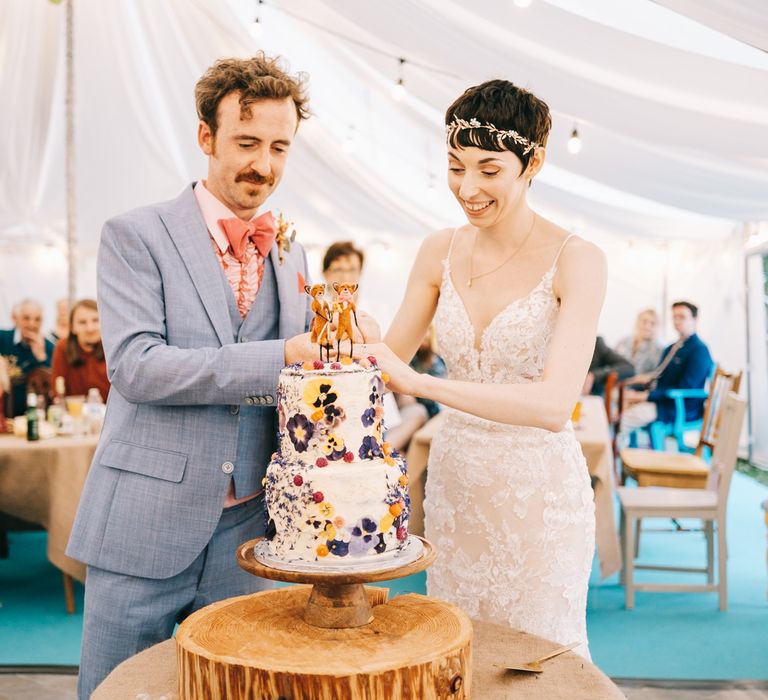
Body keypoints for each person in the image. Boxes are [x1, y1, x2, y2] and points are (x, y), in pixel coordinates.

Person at [66, 54, 378, 699]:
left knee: (237, 691)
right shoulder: (135, 235)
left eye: (278, 147)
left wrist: (343, 353)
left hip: (252, 533)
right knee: (117, 692)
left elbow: (300, 387)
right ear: (206, 137)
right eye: (246, 142)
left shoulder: (292, 248)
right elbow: (136, 368)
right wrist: (284, 355)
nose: (261, 164)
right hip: (145, 521)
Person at [362, 80, 605, 658]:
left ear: (533, 163)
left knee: (541, 663)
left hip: (539, 498)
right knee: (460, 658)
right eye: (455, 165)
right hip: (456, 487)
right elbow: (383, 362)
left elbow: (552, 406)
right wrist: (355, 337)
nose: (466, 188)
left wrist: (420, 383)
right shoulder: (437, 251)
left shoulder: (578, 260)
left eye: (488, 170)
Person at [620, 301, 712, 434]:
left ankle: (613, 452)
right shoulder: (671, 348)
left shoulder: (699, 350)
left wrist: (645, 397)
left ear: (694, 319)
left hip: (677, 407)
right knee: (617, 411)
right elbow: (658, 378)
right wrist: (635, 393)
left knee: (624, 419)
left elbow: (686, 387)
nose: (677, 321)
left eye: (682, 317)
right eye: (674, 317)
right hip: (661, 401)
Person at [0, 299, 55, 416]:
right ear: (15, 319)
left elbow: (54, 384)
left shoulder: (49, 347)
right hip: (4, 416)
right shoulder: (3, 338)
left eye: (37, 319)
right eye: (26, 318)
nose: (32, 324)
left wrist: (41, 357)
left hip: (36, 416)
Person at [51, 299, 110, 401]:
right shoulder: (63, 347)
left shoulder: (111, 347)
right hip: (74, 414)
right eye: (82, 322)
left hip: (108, 414)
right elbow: (58, 390)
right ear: (72, 327)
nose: (90, 328)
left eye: (95, 320)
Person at [408, 327, 447, 418]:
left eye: (428, 331)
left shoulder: (439, 358)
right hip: (428, 407)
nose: (425, 335)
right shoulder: (411, 361)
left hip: (444, 402)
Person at [615, 308, 663, 376]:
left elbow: (655, 374)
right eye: (644, 321)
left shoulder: (658, 349)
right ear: (637, 322)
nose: (647, 326)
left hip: (640, 385)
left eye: (652, 324)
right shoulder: (623, 341)